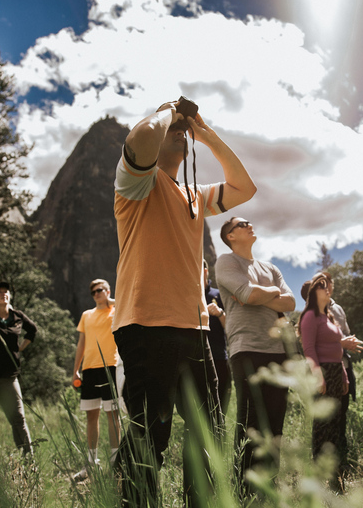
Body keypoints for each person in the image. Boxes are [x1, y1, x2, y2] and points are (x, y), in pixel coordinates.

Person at [112, 99, 256, 507]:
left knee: (207, 432)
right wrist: (169, 109)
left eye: (181, 129)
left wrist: (203, 133)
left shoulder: (194, 195)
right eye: (172, 128)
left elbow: (246, 187)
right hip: (145, 325)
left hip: (194, 330)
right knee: (151, 434)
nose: (178, 130)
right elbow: (140, 137)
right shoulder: (136, 184)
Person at [214, 216, 296, 500]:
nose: (249, 224)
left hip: (278, 352)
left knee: (275, 426)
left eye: (249, 222)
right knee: (250, 424)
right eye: (241, 224)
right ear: (230, 236)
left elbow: (290, 302)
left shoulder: (270, 267)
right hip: (246, 348)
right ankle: (244, 494)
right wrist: (266, 294)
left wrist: (261, 294)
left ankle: (268, 491)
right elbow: (247, 295)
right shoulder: (227, 262)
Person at [298, 272, 363, 489]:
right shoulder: (309, 317)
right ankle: (316, 477)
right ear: (313, 292)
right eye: (321, 286)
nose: (327, 289)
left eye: (328, 286)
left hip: (337, 371)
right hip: (322, 372)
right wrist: (318, 376)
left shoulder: (329, 317)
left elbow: (338, 348)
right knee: (322, 424)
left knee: (335, 422)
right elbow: (308, 349)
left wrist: (344, 375)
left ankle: (334, 474)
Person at [0, 282, 37, 455]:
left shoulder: (17, 316)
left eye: (6, 292)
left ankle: (28, 461)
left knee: (18, 418)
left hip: (9, 376)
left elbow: (32, 330)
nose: (3, 294)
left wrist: (20, 348)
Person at [72, 279, 121, 481]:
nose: (96, 293)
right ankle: (91, 464)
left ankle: (115, 462)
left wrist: (111, 300)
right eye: (93, 291)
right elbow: (81, 343)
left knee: (112, 415)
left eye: (100, 290)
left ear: (108, 291)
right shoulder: (86, 315)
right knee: (91, 416)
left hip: (110, 366)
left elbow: (127, 304)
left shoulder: (115, 310)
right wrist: (75, 370)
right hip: (89, 369)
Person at [203, 259, 231, 416]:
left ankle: (218, 440)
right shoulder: (187, 297)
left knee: (220, 411)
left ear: (205, 272)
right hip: (194, 362)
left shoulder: (218, 295)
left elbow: (231, 329)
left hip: (219, 359)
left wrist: (219, 313)